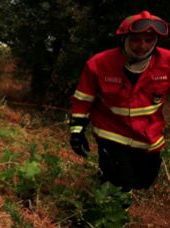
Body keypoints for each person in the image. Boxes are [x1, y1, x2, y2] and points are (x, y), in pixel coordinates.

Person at [70, 11, 170, 191]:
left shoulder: (167, 62)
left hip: (148, 137)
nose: (142, 46)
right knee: (120, 185)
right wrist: (76, 131)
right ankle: (102, 209)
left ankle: (100, 187)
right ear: (123, 39)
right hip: (112, 133)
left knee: (143, 182)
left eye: (149, 40)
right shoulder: (99, 64)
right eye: (136, 40)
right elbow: (83, 98)